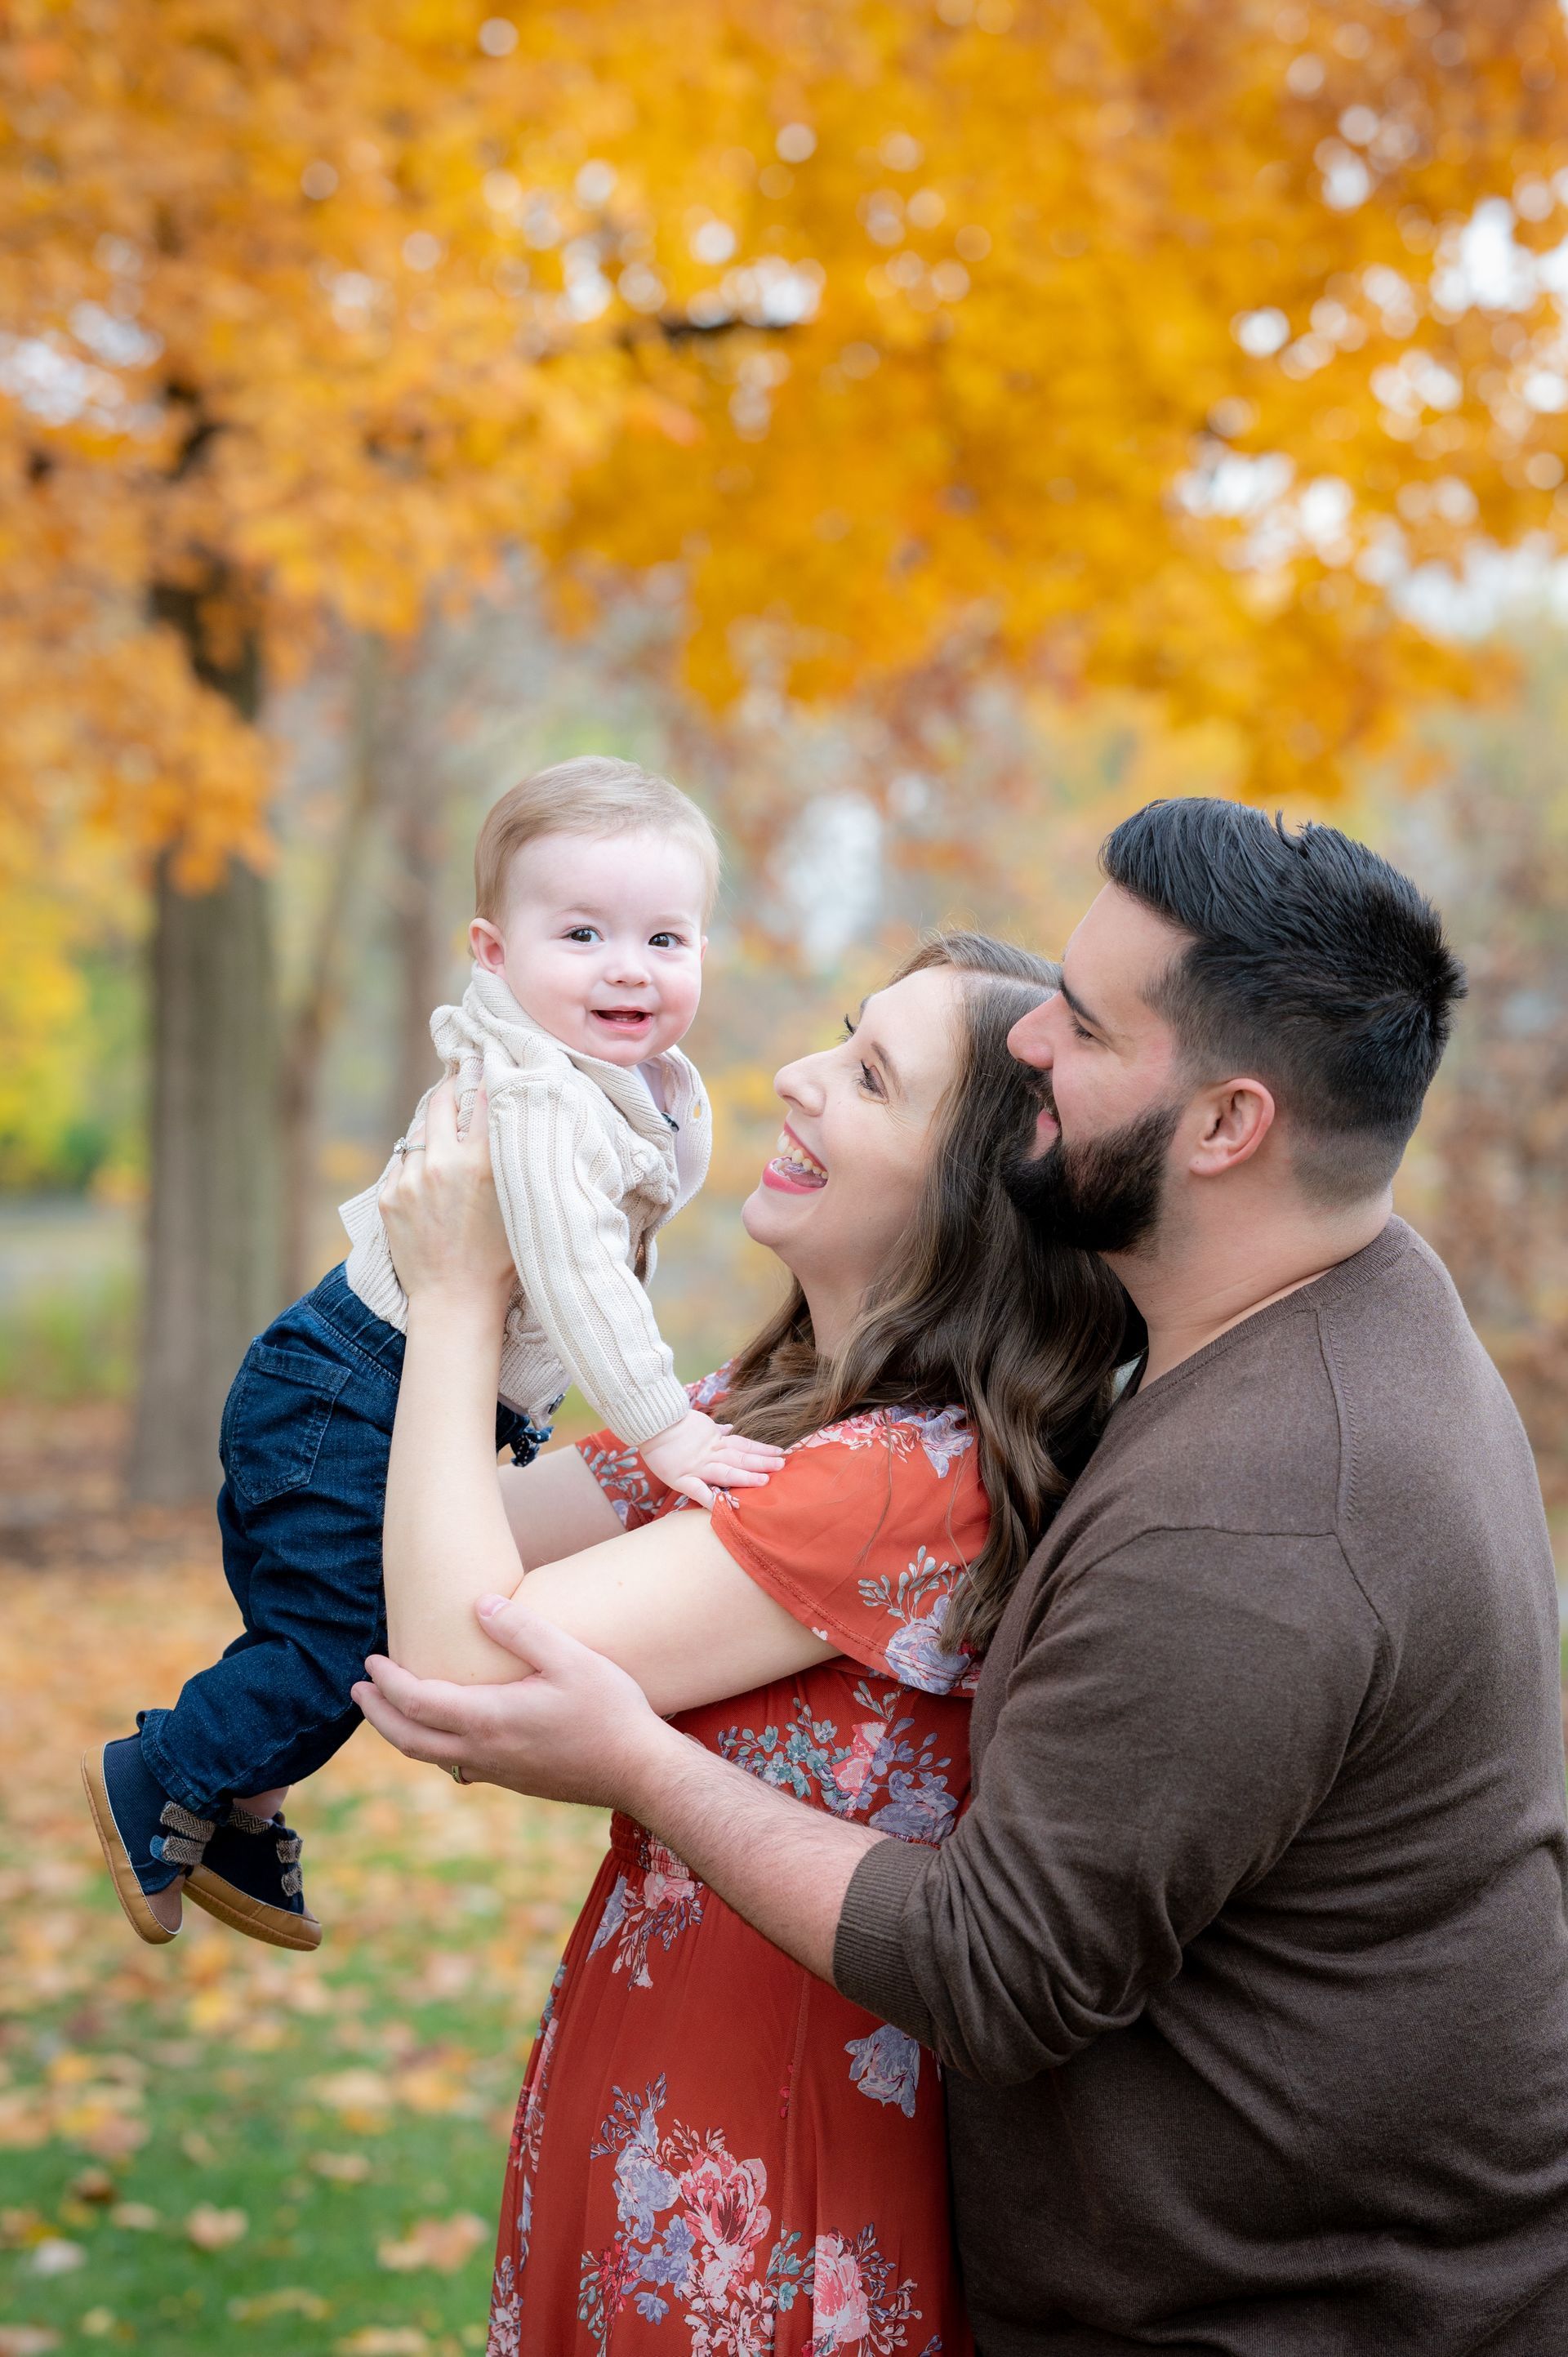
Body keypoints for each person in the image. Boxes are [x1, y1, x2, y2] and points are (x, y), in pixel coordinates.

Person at [361, 800, 1568, 2357]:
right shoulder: (1312, 1329)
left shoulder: (1264, 1509)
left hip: (1293, 2318)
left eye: (1080, 1023)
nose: (1034, 1051)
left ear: (1225, 1125)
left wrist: (637, 1760)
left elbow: (999, 1966)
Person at [368, 932, 1130, 2353]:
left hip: (762, 2173)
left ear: (968, 1200)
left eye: (868, 1076)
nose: (794, 1076)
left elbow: (458, 1657)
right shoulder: (768, 1409)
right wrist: (523, 1241)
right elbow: (422, 1534)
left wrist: (464, 1296)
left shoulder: (909, 1478)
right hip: (652, 2081)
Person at [83, 755, 781, 1954]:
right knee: (340, 1640)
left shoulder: (619, 1082)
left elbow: (651, 1180)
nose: (631, 965)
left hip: (380, 1393)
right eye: (583, 932)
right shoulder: (537, 1100)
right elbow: (578, 1273)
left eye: (669, 937)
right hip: (351, 1391)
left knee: (327, 1629)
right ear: (494, 954)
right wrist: (664, 1428)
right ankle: (163, 1767)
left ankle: (244, 1805)